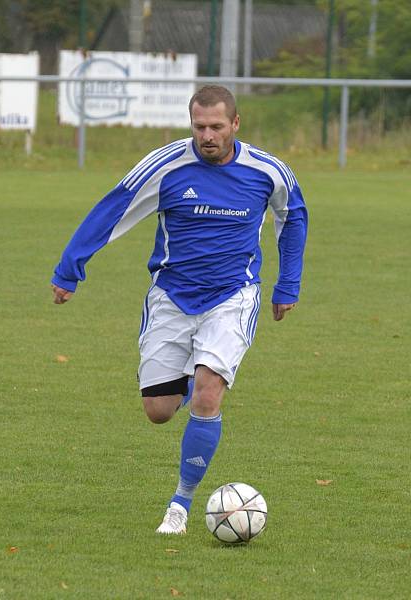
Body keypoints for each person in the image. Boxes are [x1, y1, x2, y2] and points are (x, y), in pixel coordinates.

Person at [50, 85, 308, 535]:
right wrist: (71, 267)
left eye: (216, 127)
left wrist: (288, 284)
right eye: (199, 126)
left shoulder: (268, 172)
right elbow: (114, 207)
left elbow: (294, 217)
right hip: (171, 297)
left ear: (236, 124)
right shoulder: (166, 165)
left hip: (233, 295)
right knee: (159, 410)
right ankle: (189, 376)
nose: (207, 135)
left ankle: (180, 504)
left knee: (209, 390)